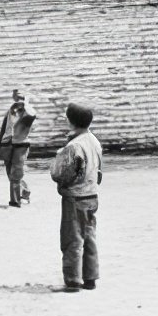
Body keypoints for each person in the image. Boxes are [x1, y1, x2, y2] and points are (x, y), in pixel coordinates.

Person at [49, 103, 103, 292]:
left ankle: (72, 280)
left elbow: (62, 174)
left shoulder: (74, 146)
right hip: (92, 195)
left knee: (72, 239)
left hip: (75, 198)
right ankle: (90, 278)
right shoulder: (94, 141)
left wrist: (57, 159)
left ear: (72, 121)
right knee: (89, 237)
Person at [0, 88, 38, 207]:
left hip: (21, 145)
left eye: (19, 96)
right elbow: (3, 129)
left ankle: (15, 201)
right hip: (7, 144)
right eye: (15, 95)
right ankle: (24, 191)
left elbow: (32, 114)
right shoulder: (9, 111)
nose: (16, 98)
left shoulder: (28, 111)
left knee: (16, 172)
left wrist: (25, 103)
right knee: (10, 173)